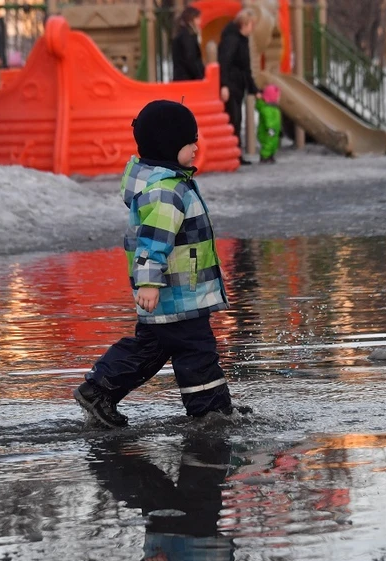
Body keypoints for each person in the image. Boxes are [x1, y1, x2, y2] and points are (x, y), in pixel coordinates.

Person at [73, 100, 234, 429]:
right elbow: (153, 242)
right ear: (170, 145)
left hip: (175, 292)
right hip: (177, 294)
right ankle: (211, 412)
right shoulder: (165, 192)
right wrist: (148, 282)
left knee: (149, 348)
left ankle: (99, 389)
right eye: (191, 141)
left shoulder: (168, 183)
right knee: (197, 350)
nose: (196, 146)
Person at [88, 434, 234, 561]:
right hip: (195, 545)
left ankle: (106, 443)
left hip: (176, 546)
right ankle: (210, 419)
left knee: (198, 466)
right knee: (204, 459)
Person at [217, 9, 260, 164]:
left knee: (237, 118)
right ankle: (231, 154)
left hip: (238, 84)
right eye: (251, 25)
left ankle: (236, 153)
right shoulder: (232, 39)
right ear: (244, 24)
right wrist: (224, 85)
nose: (252, 28)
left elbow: (246, 67)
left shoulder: (242, 39)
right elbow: (224, 63)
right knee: (233, 118)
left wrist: (253, 89)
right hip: (231, 84)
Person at [172, 6, 205, 81]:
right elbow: (191, 58)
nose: (200, 22)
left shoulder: (183, 34)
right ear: (191, 20)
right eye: (198, 19)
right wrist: (200, 76)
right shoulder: (187, 36)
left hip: (183, 77)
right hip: (187, 79)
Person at [256, 84, 281, 163]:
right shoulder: (267, 109)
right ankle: (264, 156)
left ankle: (270, 155)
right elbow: (268, 120)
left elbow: (276, 120)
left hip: (274, 130)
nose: (278, 99)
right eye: (277, 97)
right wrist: (270, 127)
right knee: (268, 143)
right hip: (268, 131)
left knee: (274, 143)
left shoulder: (274, 108)